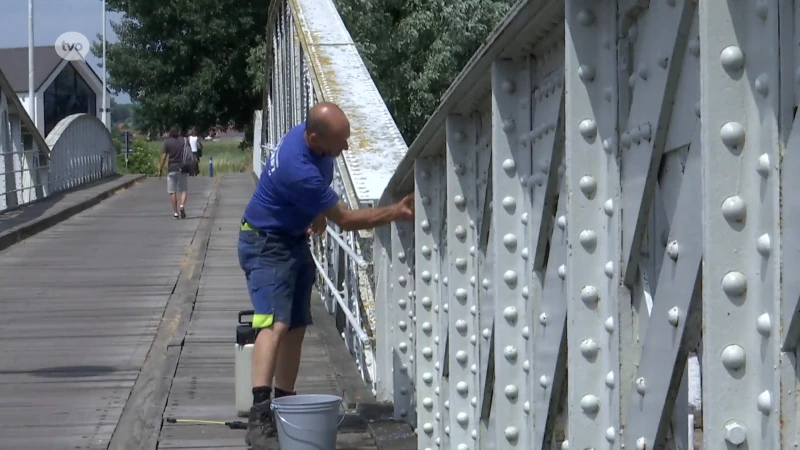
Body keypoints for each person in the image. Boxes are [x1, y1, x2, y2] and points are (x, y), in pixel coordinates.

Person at [238, 101, 414, 447]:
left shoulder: (314, 144)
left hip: (290, 240)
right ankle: (260, 418)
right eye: (341, 141)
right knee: (273, 323)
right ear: (316, 138)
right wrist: (397, 210)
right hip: (264, 243)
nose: (346, 147)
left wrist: (315, 212)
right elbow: (346, 220)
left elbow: (320, 199)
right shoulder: (297, 167)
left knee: (297, 326)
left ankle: (285, 406)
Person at [158, 125, 190, 219]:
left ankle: (175, 213)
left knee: (172, 191)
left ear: (169, 133)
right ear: (178, 131)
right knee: (183, 190)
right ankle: (182, 206)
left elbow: (164, 157)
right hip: (183, 168)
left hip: (171, 169)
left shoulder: (167, 142)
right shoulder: (184, 140)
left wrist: (160, 169)